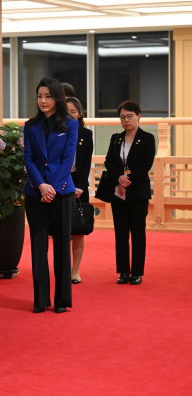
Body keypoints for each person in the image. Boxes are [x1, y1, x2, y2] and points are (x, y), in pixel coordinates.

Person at [23, 77, 78, 314]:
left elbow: (68, 160)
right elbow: (28, 159)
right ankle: (40, 299)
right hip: (36, 193)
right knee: (37, 246)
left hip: (62, 192)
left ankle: (62, 300)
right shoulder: (30, 125)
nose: (43, 101)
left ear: (57, 98)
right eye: (39, 96)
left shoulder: (70, 124)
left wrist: (52, 187)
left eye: (47, 96)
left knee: (62, 248)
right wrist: (41, 186)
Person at [104, 101, 155, 285]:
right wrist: (119, 177)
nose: (126, 120)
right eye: (123, 117)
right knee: (121, 233)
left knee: (138, 233)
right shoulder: (116, 138)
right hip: (119, 192)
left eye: (130, 116)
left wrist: (129, 178)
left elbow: (146, 164)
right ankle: (123, 271)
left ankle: (137, 272)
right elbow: (108, 161)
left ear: (138, 116)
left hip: (138, 192)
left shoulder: (147, 138)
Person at [66, 97, 93, 284]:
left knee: (78, 229)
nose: (69, 115)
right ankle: (61, 268)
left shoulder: (86, 134)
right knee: (60, 229)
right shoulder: (54, 132)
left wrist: (80, 187)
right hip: (59, 183)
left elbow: (86, 164)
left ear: (79, 114)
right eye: (66, 111)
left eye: (73, 111)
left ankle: (75, 270)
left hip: (79, 184)